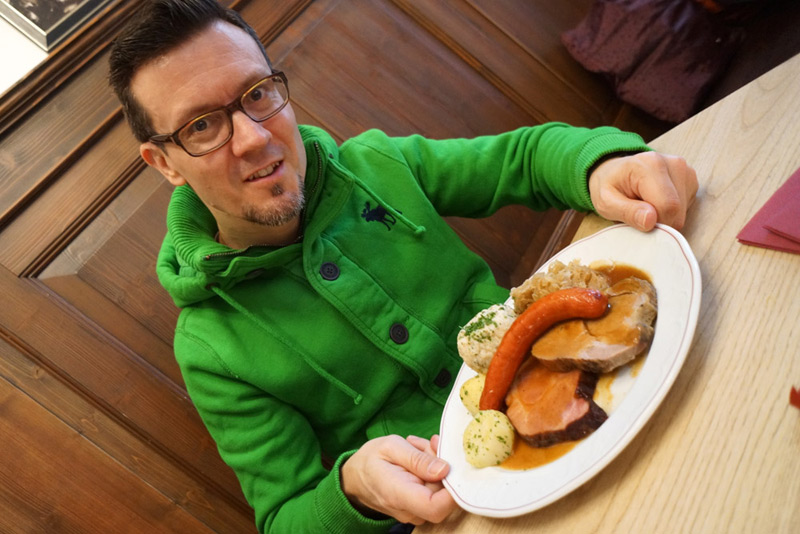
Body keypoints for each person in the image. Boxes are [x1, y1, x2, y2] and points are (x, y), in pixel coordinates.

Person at [108, 1, 697, 532]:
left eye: (257, 94)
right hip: (461, 512)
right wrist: (353, 489)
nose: (254, 138)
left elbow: (520, 159)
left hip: (597, 382)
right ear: (165, 163)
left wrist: (601, 164)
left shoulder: (378, 162)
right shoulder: (208, 347)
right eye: (201, 126)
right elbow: (286, 517)